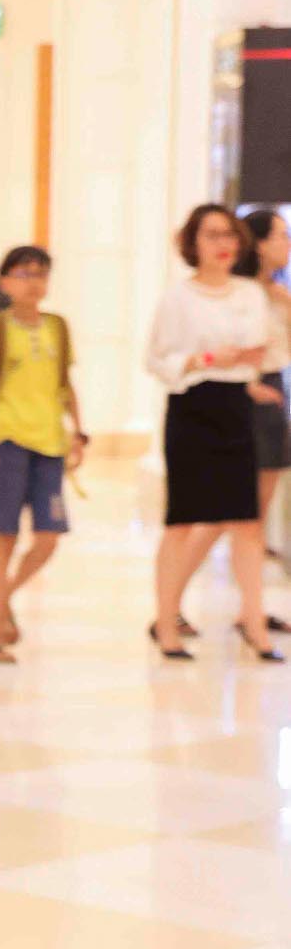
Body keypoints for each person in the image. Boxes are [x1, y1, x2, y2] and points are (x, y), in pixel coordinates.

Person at [146, 203, 281, 661]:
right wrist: (203, 359)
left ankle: (255, 623)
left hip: (236, 407)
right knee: (182, 522)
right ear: (193, 242)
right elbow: (157, 358)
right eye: (212, 235)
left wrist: (243, 358)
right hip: (192, 408)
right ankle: (166, 623)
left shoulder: (249, 294)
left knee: (246, 521)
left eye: (229, 235)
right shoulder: (177, 298)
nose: (223, 244)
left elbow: (260, 349)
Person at [0, 245, 86, 662]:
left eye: (41, 274)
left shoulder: (58, 328)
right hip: (7, 444)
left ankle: (3, 602)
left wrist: (79, 432)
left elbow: (64, 384)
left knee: (48, 539)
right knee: (6, 538)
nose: (34, 283)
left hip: (50, 446)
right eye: (24, 274)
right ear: (5, 282)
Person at [235, 207, 291, 624]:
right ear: (258, 244)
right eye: (281, 236)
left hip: (272, 394)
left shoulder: (275, 293)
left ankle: (251, 610)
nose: (287, 244)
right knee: (235, 514)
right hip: (249, 397)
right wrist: (249, 386)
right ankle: (250, 612)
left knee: (252, 514)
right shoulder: (241, 295)